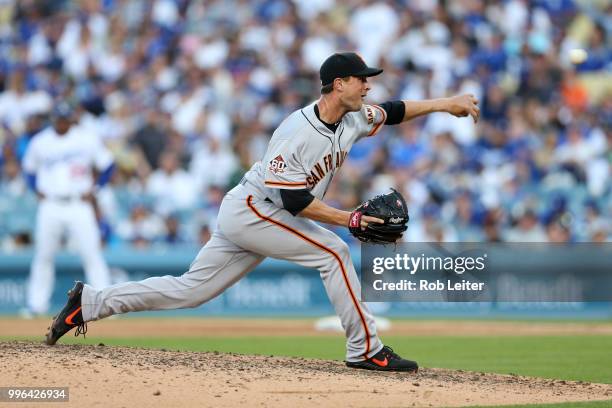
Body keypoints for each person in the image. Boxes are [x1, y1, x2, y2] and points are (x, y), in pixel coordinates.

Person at [46, 53, 479, 372]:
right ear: (337, 83)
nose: (368, 86)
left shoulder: (352, 118)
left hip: (262, 212)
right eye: (360, 79)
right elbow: (293, 202)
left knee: (190, 291)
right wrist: (348, 219)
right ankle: (364, 348)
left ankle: (89, 304)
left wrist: (445, 103)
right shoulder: (296, 131)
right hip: (255, 208)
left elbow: (395, 111)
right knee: (333, 253)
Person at [22, 103, 115, 315]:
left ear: (71, 119)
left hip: (78, 204)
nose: (62, 122)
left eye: (66, 119)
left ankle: (106, 305)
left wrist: (96, 188)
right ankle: (36, 305)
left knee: (92, 253)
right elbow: (29, 171)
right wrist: (36, 189)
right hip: (51, 204)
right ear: (53, 119)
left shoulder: (85, 138)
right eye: (59, 119)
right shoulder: (41, 141)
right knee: (43, 255)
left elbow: (108, 165)